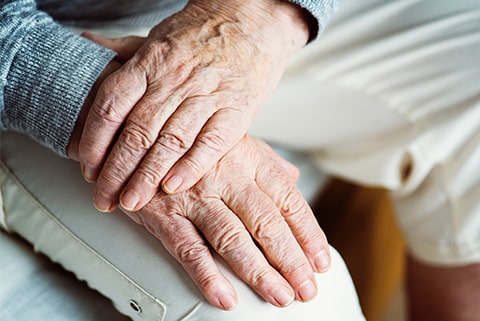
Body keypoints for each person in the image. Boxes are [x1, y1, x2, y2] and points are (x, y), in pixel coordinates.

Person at [0, 0, 366, 320]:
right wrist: (123, 117)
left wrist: (255, 19)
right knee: (282, 307)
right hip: (47, 41)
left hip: (203, 10)